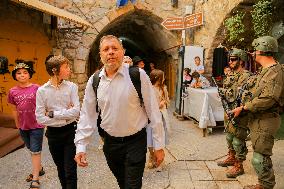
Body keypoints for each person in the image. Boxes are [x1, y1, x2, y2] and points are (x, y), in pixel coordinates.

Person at [74, 35, 165, 189]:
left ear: (122, 52)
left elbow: (153, 112)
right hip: (110, 144)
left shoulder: (137, 75)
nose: (111, 52)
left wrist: (159, 145)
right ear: (100, 55)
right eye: (106, 49)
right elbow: (87, 116)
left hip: (136, 141)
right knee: (122, 183)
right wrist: (81, 146)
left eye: (115, 48)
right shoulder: (95, 81)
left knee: (132, 185)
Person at [231, 36, 284, 189]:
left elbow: (268, 99)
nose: (253, 54)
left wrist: (244, 107)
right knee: (258, 154)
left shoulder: (275, 72)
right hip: (258, 118)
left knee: (260, 158)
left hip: (266, 119)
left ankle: (266, 185)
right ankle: (263, 183)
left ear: (261, 51)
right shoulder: (265, 71)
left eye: (254, 50)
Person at [36, 55, 80, 189]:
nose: (69, 70)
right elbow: (39, 118)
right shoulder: (42, 91)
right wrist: (66, 114)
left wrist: (52, 113)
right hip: (53, 135)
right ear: (55, 70)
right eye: (66, 67)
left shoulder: (72, 87)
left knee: (70, 170)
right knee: (60, 169)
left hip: (70, 131)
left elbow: (76, 111)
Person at [8, 63, 45, 189]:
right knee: (31, 149)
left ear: (29, 74)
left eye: (25, 72)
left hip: (36, 125)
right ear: (15, 76)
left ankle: (35, 178)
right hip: (23, 126)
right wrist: (17, 123)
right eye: (19, 73)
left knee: (35, 151)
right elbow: (14, 109)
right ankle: (39, 169)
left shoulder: (37, 88)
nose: (22, 75)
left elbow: (43, 104)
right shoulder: (12, 91)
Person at [216, 48, 251, 178]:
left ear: (241, 61)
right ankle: (231, 157)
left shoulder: (246, 76)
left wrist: (225, 93)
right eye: (229, 59)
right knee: (229, 137)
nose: (230, 61)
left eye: (233, 59)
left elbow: (238, 95)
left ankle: (239, 165)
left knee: (238, 140)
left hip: (240, 113)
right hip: (229, 111)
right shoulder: (230, 74)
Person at [147, 69, 171, 169]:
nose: (164, 78)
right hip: (151, 116)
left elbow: (167, 101)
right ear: (157, 78)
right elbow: (146, 104)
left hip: (161, 116)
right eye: (163, 76)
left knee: (160, 136)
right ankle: (151, 155)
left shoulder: (163, 88)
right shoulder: (148, 89)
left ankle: (159, 157)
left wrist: (164, 102)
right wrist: (157, 105)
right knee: (150, 136)